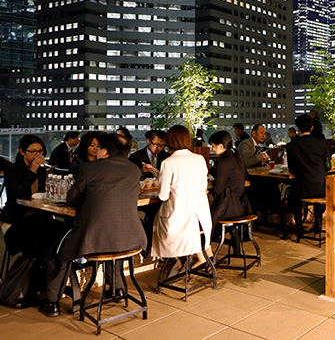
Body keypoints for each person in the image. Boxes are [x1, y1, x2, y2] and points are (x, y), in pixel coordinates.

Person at [40, 133, 147, 317]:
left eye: (99, 147)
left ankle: (52, 303)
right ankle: (117, 291)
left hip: (94, 239)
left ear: (105, 151)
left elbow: (72, 200)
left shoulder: (90, 169)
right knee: (113, 242)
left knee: (57, 250)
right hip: (132, 238)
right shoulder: (133, 170)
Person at [151, 125, 212, 265]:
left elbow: (163, 196)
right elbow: (203, 188)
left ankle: (169, 261)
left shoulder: (168, 163)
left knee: (154, 222)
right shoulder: (200, 159)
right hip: (199, 217)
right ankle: (201, 255)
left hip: (177, 218)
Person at [287, 114, 331, 242]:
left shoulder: (292, 146)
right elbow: (328, 166)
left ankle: (298, 227)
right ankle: (317, 223)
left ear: (297, 129)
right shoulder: (322, 144)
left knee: (292, 192)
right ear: (311, 128)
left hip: (302, 189)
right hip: (321, 188)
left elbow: (292, 170)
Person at [207, 130, 251, 230]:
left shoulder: (224, 162)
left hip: (228, 206)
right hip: (241, 205)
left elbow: (218, 190)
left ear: (221, 146)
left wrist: (208, 190)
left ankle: (205, 243)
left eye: (213, 146)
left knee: (203, 217)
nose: (212, 149)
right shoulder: (235, 156)